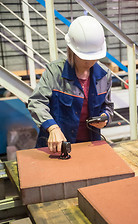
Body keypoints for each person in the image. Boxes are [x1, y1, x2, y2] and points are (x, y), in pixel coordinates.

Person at [28, 15, 114, 153]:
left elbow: (108, 107)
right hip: (57, 147)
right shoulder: (55, 72)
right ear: (71, 50)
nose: (90, 61)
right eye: (85, 57)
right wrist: (53, 128)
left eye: (94, 56)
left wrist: (105, 118)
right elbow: (36, 102)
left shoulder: (105, 75)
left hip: (90, 146)